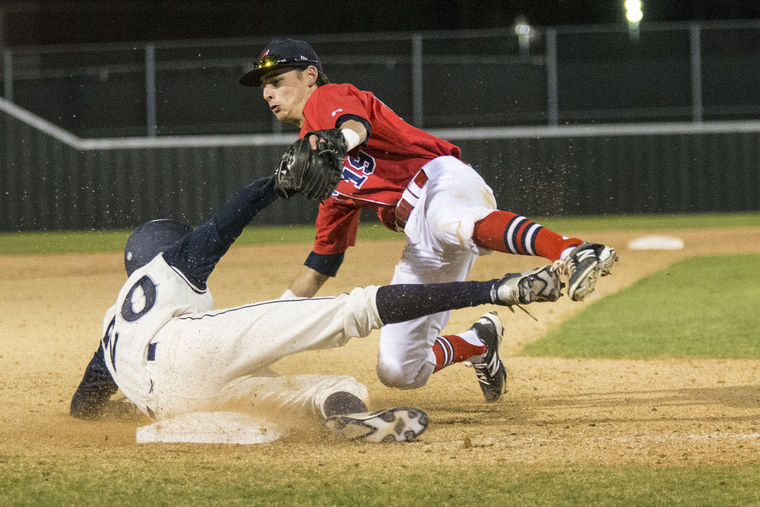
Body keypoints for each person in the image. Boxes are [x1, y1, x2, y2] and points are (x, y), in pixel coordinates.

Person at [237, 38, 618, 402]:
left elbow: (355, 126)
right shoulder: (321, 169)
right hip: (420, 232)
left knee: (447, 220)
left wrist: (338, 142)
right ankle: (479, 342)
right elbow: (322, 262)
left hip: (438, 181)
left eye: (276, 81)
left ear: (309, 75)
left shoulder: (329, 97)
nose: (268, 93)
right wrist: (270, 329)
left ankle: (573, 250)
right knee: (399, 369)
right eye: (264, 87)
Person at [70, 175, 563, 443]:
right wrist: (272, 185)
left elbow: (83, 407)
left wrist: (135, 403)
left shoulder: (111, 324)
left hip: (173, 403)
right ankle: (497, 290)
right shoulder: (170, 264)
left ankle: (344, 417)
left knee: (324, 388)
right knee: (355, 309)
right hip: (189, 348)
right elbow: (224, 223)